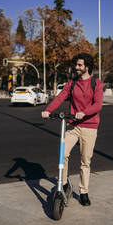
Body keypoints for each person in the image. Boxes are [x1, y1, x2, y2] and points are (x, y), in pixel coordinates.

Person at [41, 53, 103, 206]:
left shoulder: (96, 83)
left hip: (89, 127)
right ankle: (63, 184)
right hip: (74, 126)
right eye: (76, 65)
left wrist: (85, 112)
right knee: (63, 154)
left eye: (79, 65)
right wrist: (48, 110)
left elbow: (98, 105)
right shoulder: (72, 83)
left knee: (85, 161)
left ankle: (83, 192)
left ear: (87, 66)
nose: (76, 67)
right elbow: (60, 97)